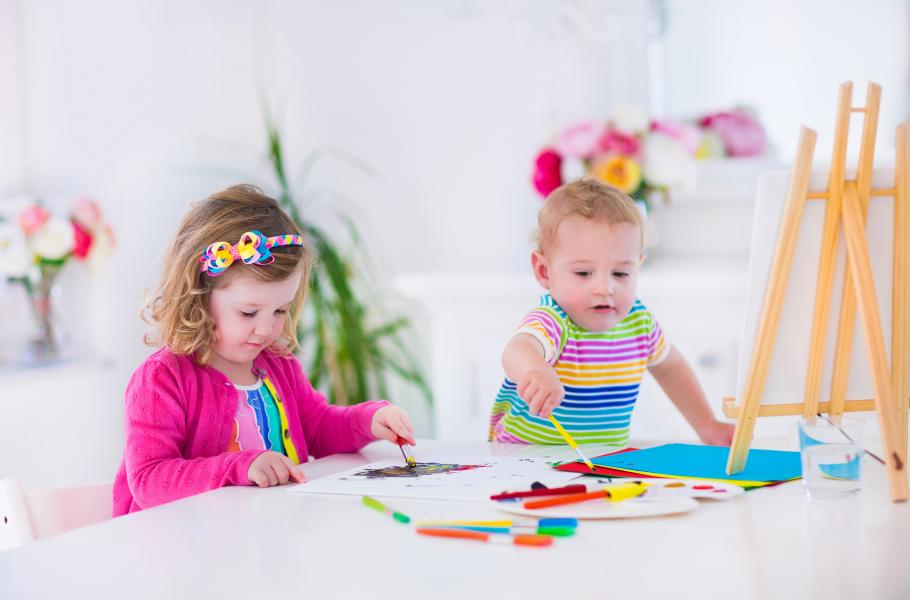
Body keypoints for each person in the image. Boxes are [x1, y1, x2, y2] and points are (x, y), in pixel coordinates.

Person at [113, 184, 415, 515]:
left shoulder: (278, 365)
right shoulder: (163, 378)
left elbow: (318, 428)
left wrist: (368, 420)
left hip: (264, 532)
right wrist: (239, 467)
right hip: (183, 538)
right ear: (199, 295)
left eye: (280, 310)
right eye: (248, 312)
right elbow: (149, 480)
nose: (265, 328)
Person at [489, 178, 734, 447]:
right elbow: (518, 348)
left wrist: (707, 425)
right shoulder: (554, 320)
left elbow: (671, 368)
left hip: (598, 460)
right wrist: (535, 370)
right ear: (544, 271)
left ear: (637, 267)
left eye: (620, 273)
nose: (605, 289)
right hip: (523, 457)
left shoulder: (639, 322)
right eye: (584, 273)